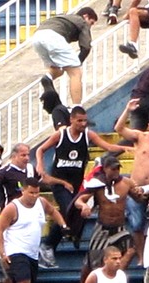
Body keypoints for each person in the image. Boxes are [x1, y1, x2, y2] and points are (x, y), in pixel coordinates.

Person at [36, 106, 130, 268]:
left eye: (85, 120)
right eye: (79, 120)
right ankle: (48, 245)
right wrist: (39, 165)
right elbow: (40, 149)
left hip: (76, 185)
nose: (83, 123)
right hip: (59, 183)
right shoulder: (61, 135)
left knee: (75, 212)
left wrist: (125, 148)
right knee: (70, 210)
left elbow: (107, 147)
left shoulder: (88, 135)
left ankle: (71, 235)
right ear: (71, 120)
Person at [114, 99, 149, 265]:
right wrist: (127, 110)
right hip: (136, 187)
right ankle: (141, 255)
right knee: (136, 223)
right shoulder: (140, 137)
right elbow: (119, 129)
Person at [75, 156, 141, 282]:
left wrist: (141, 193)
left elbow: (140, 198)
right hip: (103, 227)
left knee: (131, 249)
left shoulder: (126, 182)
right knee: (92, 262)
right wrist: (84, 206)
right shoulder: (97, 183)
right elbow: (79, 200)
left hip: (119, 227)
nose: (116, 171)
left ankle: (115, 277)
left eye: (118, 168)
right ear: (105, 169)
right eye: (113, 169)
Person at [0, 177, 67, 283]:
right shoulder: (12, 208)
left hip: (32, 253)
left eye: (37, 193)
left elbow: (52, 211)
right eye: (31, 193)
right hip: (15, 251)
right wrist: (3, 253)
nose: (34, 196)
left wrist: (63, 225)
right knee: (24, 280)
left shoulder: (42, 202)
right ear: (23, 191)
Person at [0, 143, 71, 210]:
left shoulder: (30, 168)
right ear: (14, 156)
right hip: (13, 210)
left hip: (30, 209)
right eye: (23, 155)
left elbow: (44, 179)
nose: (27, 158)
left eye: (28, 155)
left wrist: (62, 182)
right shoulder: (5, 171)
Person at [32, 7, 97, 106]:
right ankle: (77, 107)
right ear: (86, 16)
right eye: (91, 23)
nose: (90, 26)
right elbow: (86, 47)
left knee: (57, 70)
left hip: (37, 37)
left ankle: (48, 78)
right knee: (75, 73)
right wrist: (77, 63)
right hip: (53, 37)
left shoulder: (63, 17)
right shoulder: (81, 21)